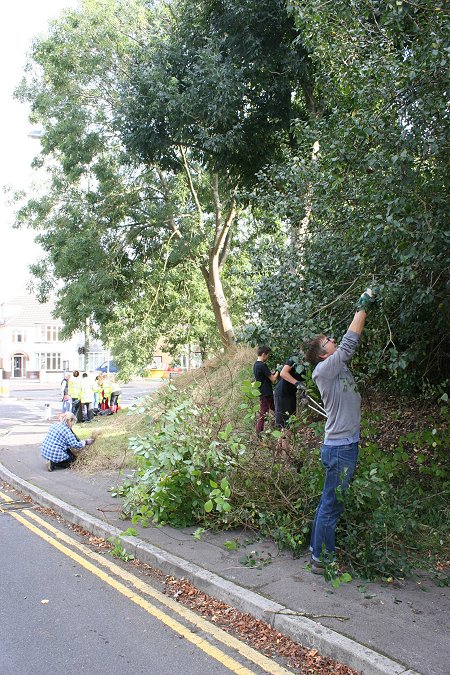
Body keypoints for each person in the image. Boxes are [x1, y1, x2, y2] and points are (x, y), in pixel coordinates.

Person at [305, 288, 377, 574]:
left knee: (328, 501)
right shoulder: (324, 370)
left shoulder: (335, 368)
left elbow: (344, 348)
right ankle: (322, 559)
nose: (333, 341)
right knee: (332, 505)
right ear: (324, 355)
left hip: (344, 445)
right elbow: (349, 343)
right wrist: (363, 305)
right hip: (340, 448)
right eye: (328, 341)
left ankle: (316, 550)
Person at [273, 351, 305, 451]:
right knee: (287, 427)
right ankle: (287, 459)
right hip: (283, 394)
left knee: (286, 427)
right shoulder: (295, 357)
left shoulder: (307, 363)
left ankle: (278, 455)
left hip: (290, 394)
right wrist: (297, 383)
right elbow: (283, 373)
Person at [253, 346, 279, 434]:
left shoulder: (256, 365)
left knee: (276, 408)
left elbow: (265, 378)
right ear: (264, 354)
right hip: (265, 394)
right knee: (263, 414)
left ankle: (282, 424)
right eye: (268, 355)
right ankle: (258, 434)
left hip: (265, 393)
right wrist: (279, 370)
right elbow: (273, 379)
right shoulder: (262, 365)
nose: (268, 357)